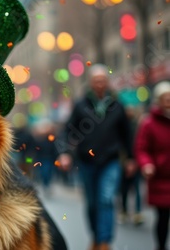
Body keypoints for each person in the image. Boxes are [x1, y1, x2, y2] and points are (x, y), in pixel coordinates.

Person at [57, 64, 136, 250]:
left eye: (103, 80)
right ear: (91, 83)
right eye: (96, 81)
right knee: (92, 204)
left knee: (106, 199)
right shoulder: (80, 105)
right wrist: (65, 154)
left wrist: (131, 158)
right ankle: (95, 237)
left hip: (111, 161)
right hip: (87, 162)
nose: (100, 84)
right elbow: (68, 132)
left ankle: (104, 242)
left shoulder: (117, 106)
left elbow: (127, 134)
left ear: (107, 83)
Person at [135, 81, 170, 250]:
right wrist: (147, 164)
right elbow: (142, 148)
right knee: (163, 216)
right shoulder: (149, 123)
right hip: (160, 178)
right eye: (166, 99)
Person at [118, 105, 143, 226]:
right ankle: (124, 210)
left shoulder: (139, 126)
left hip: (137, 161)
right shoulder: (119, 126)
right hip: (123, 162)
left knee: (137, 188)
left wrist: (137, 162)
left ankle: (138, 212)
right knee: (124, 189)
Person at [31, 118, 59, 197]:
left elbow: (55, 148)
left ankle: (47, 184)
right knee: (43, 172)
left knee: (49, 173)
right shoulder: (39, 138)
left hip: (50, 158)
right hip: (41, 158)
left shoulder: (52, 138)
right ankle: (45, 185)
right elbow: (35, 148)